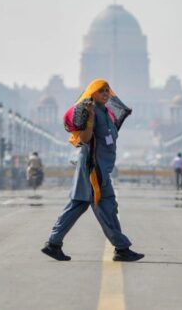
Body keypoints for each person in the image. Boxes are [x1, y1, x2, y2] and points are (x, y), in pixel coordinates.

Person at [41, 79, 144, 262]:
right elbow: (86, 138)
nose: (105, 94)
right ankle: (121, 248)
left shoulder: (106, 112)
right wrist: (89, 119)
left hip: (101, 167)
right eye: (101, 91)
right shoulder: (90, 112)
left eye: (107, 90)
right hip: (93, 167)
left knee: (80, 204)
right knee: (106, 206)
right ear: (92, 93)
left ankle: (54, 243)